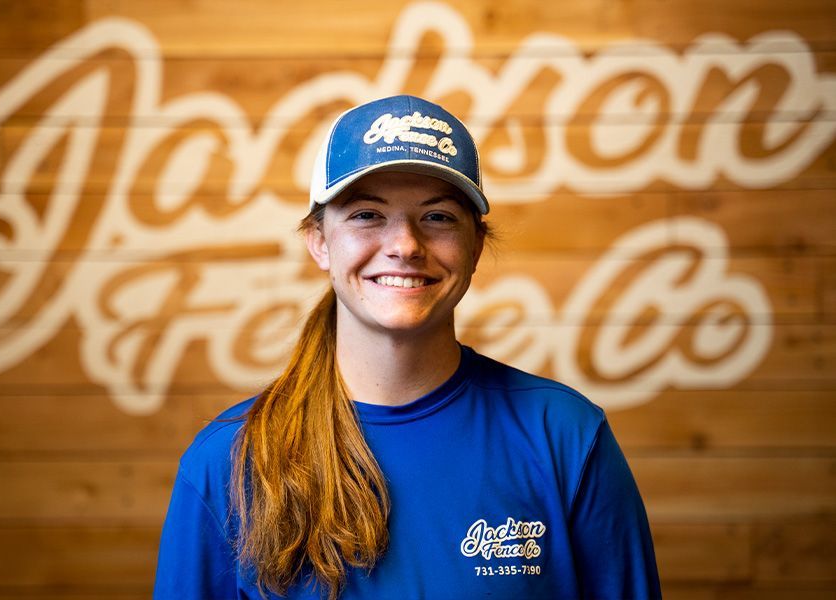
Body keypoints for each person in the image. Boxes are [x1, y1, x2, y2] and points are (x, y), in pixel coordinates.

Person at [153, 95, 661, 599]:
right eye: (368, 215)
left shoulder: (565, 436)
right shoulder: (229, 459)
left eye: (437, 217)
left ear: (475, 245)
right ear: (319, 241)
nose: (405, 245)